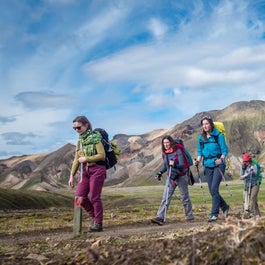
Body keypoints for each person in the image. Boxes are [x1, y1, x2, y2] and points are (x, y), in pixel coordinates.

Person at [68, 116, 106, 232]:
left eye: (78, 127)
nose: (76, 130)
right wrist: (71, 175)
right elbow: (76, 159)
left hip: (97, 169)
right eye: (74, 128)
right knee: (80, 198)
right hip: (84, 171)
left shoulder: (96, 138)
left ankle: (98, 224)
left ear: (86, 125)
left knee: (94, 197)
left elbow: (102, 155)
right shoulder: (79, 142)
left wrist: (86, 159)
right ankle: (95, 218)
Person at [151, 135, 194, 225]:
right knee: (166, 197)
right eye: (164, 143)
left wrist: (174, 164)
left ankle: (189, 217)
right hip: (171, 177)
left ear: (171, 142)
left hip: (181, 176)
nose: (166, 144)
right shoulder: (165, 153)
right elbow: (166, 166)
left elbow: (182, 165)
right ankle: (160, 217)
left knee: (184, 197)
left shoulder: (178, 151)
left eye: (167, 142)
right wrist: (160, 173)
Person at [194, 115, 229, 222]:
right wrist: (198, 160)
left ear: (211, 124)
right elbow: (200, 152)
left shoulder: (218, 136)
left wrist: (221, 158)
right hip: (207, 165)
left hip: (218, 164)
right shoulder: (201, 138)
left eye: (207, 124)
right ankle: (225, 206)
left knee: (214, 189)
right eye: (203, 124)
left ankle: (214, 214)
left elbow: (224, 150)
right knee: (212, 190)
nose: (205, 126)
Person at [240, 153, 261, 218]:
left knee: (252, 198)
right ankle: (257, 214)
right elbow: (241, 177)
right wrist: (245, 175)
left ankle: (251, 213)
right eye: (245, 161)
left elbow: (256, 173)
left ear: (249, 160)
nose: (246, 162)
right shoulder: (243, 167)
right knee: (254, 200)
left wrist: (251, 171)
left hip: (255, 184)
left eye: (247, 161)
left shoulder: (254, 165)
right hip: (247, 184)